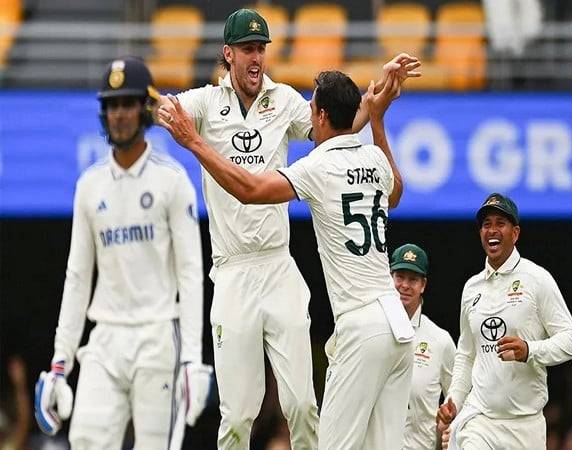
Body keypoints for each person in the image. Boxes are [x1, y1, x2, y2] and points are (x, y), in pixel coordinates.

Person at [157, 7, 416, 450]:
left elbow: (336, 131)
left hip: (279, 265)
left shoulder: (285, 100)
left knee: (303, 407)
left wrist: (370, 105)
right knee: (238, 416)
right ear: (228, 55)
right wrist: (156, 103)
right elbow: (167, 107)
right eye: (247, 49)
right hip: (233, 270)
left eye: (261, 48)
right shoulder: (205, 102)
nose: (256, 58)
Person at [33, 56, 211, 449]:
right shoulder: (89, 186)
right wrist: (60, 363)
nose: (119, 114)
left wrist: (192, 360)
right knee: (85, 440)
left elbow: (191, 274)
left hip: (159, 335)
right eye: (112, 105)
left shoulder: (171, 180)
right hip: (105, 341)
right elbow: (77, 278)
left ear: (145, 109)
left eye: (128, 103)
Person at [436, 193, 572, 450]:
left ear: (515, 233)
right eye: (486, 224)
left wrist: (529, 350)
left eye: (500, 223)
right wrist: (454, 400)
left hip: (525, 425)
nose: (492, 230)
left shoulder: (537, 279)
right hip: (480, 418)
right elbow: (467, 354)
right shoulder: (472, 288)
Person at [389, 243, 456, 449]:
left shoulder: (440, 340)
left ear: (423, 285)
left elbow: (461, 398)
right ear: (389, 278)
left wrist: (454, 431)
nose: (405, 285)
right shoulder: (370, 331)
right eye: (400, 276)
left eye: (413, 279)